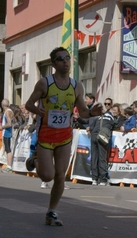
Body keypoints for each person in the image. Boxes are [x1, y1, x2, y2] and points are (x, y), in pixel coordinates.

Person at [25, 47, 102, 226]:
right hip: (46, 135)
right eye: (60, 59)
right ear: (53, 64)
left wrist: (92, 113)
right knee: (47, 176)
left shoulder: (77, 86)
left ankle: (51, 211)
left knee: (60, 176)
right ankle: (35, 161)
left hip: (65, 136)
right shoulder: (45, 83)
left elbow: (82, 111)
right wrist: (37, 109)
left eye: (67, 58)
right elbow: (28, 104)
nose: (65, 61)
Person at [89, 108, 115, 186]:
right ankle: (103, 179)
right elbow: (115, 125)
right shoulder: (111, 118)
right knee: (102, 157)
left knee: (94, 157)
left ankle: (94, 179)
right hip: (102, 136)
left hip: (94, 135)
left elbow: (91, 126)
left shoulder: (98, 117)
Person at [0, 99, 14, 173]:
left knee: (8, 149)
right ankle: (8, 165)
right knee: (7, 149)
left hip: (7, 133)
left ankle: (9, 166)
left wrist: (2, 127)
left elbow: (9, 123)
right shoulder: (10, 111)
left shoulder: (7, 112)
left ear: (2, 105)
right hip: (8, 132)